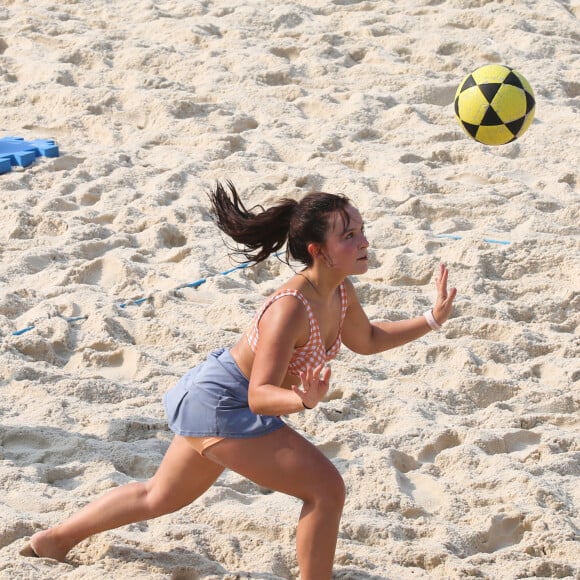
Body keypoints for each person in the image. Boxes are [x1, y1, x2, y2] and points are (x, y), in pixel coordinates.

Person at [24, 181, 457, 579]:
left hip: (224, 397)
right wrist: (302, 401)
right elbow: (259, 396)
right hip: (224, 402)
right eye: (349, 235)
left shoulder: (340, 289)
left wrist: (430, 320)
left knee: (158, 496)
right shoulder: (290, 307)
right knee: (326, 489)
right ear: (318, 250)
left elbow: (366, 338)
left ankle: (54, 540)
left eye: (361, 230)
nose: (364, 241)